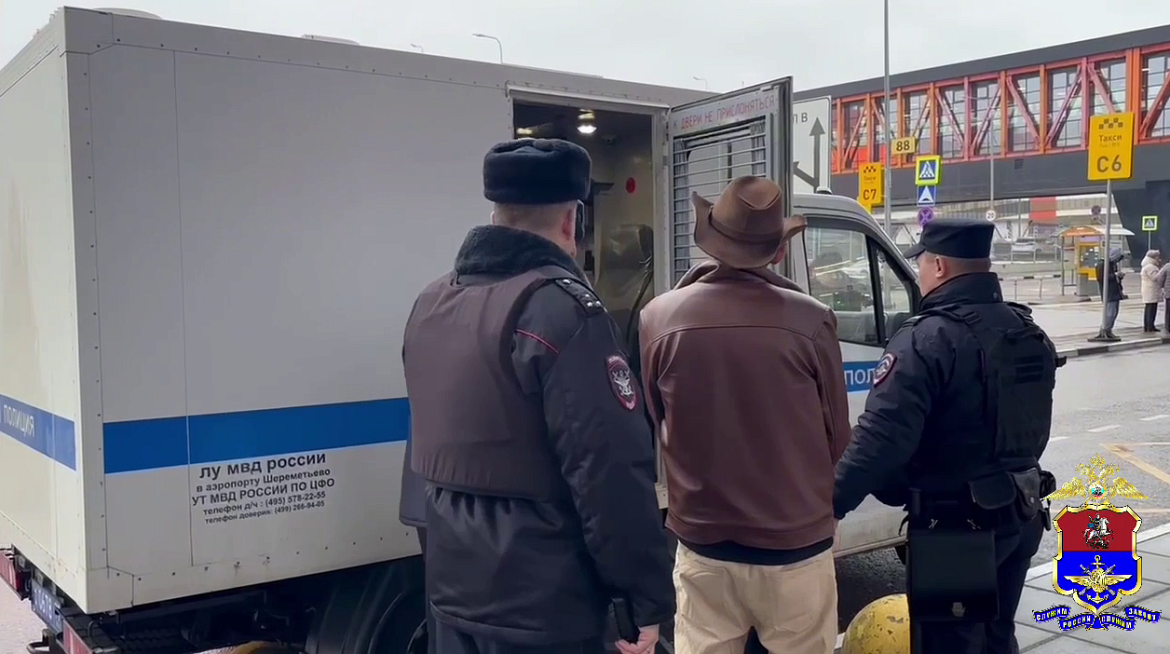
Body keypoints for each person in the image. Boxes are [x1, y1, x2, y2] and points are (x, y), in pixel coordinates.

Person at [402, 138, 674, 654]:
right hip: (547, 609)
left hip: (452, 595)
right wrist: (643, 600)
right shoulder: (563, 312)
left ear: (495, 213)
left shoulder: (431, 303)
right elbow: (609, 472)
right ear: (572, 220)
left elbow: (422, 458)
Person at [639, 176, 849, 654]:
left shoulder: (657, 318)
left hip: (703, 540)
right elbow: (838, 438)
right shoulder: (812, 319)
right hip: (796, 544)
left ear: (710, 242)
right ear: (778, 251)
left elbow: (657, 419)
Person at [833, 219, 1060, 654]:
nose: (919, 271)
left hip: (955, 531)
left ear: (938, 266)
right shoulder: (1025, 328)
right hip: (1022, 512)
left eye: (921, 263)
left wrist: (831, 503)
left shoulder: (927, 338)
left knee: (948, 644)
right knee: (997, 638)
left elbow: (881, 439)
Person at [1094, 249, 1126, 341]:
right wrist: (1116, 275)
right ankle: (1105, 330)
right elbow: (1102, 278)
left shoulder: (1112, 264)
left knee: (1114, 313)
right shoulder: (1102, 265)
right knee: (1110, 314)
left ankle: (1108, 330)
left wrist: (1118, 277)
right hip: (1109, 293)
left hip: (1114, 292)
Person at [1140, 249, 1162, 332]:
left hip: (1149, 289)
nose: (1158, 258)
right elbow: (1155, 277)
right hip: (1151, 290)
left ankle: (1148, 326)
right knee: (1151, 309)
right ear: (1154, 257)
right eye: (1157, 257)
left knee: (1149, 308)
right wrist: (1161, 272)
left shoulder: (1147, 265)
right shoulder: (1151, 267)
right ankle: (1150, 326)